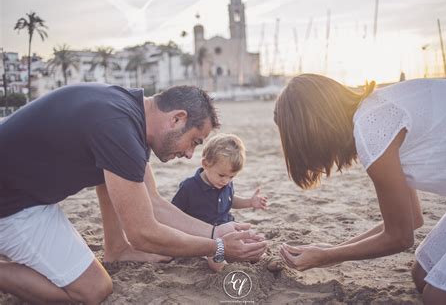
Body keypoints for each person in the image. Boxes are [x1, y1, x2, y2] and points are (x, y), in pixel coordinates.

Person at [0, 83, 267, 304]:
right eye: (195, 142)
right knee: (93, 291)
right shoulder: (118, 128)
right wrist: (218, 247)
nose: (189, 154)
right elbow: (143, 233)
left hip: (23, 192)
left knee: (110, 175)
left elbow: (153, 203)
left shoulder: (129, 113)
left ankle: (116, 249)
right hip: (10, 206)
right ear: (177, 118)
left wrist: (213, 232)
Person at [274, 74, 446, 304]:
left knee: (438, 299)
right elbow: (413, 218)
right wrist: (331, 251)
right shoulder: (371, 115)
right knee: (422, 275)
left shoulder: (372, 130)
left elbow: (400, 237)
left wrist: (328, 256)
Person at [172, 133, 268, 271]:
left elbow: (230, 200)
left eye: (231, 177)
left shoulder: (224, 184)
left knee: (252, 241)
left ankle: (264, 260)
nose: (226, 181)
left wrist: (249, 202)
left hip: (227, 228)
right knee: (215, 255)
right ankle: (227, 271)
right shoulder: (189, 187)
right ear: (205, 164)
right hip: (205, 237)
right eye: (222, 175)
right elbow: (174, 213)